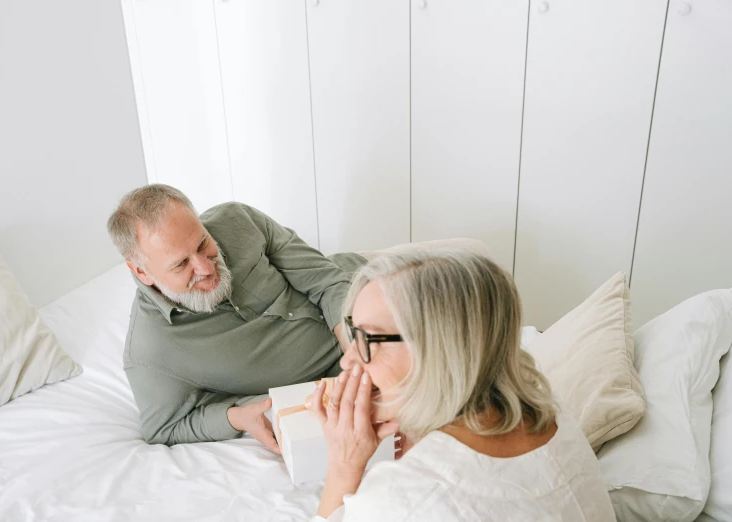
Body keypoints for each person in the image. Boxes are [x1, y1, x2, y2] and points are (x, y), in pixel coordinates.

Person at [308, 249, 616, 521]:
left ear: (442, 350)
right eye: (353, 331)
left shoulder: (403, 498)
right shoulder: (549, 412)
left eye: (367, 338)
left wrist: (344, 464)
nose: (348, 362)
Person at [106, 184, 366, 450]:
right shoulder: (149, 353)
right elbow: (164, 427)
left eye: (203, 243)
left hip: (362, 297)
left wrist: (356, 345)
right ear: (141, 271)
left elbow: (327, 281)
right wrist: (236, 418)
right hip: (335, 383)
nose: (206, 268)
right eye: (181, 264)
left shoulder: (237, 220)